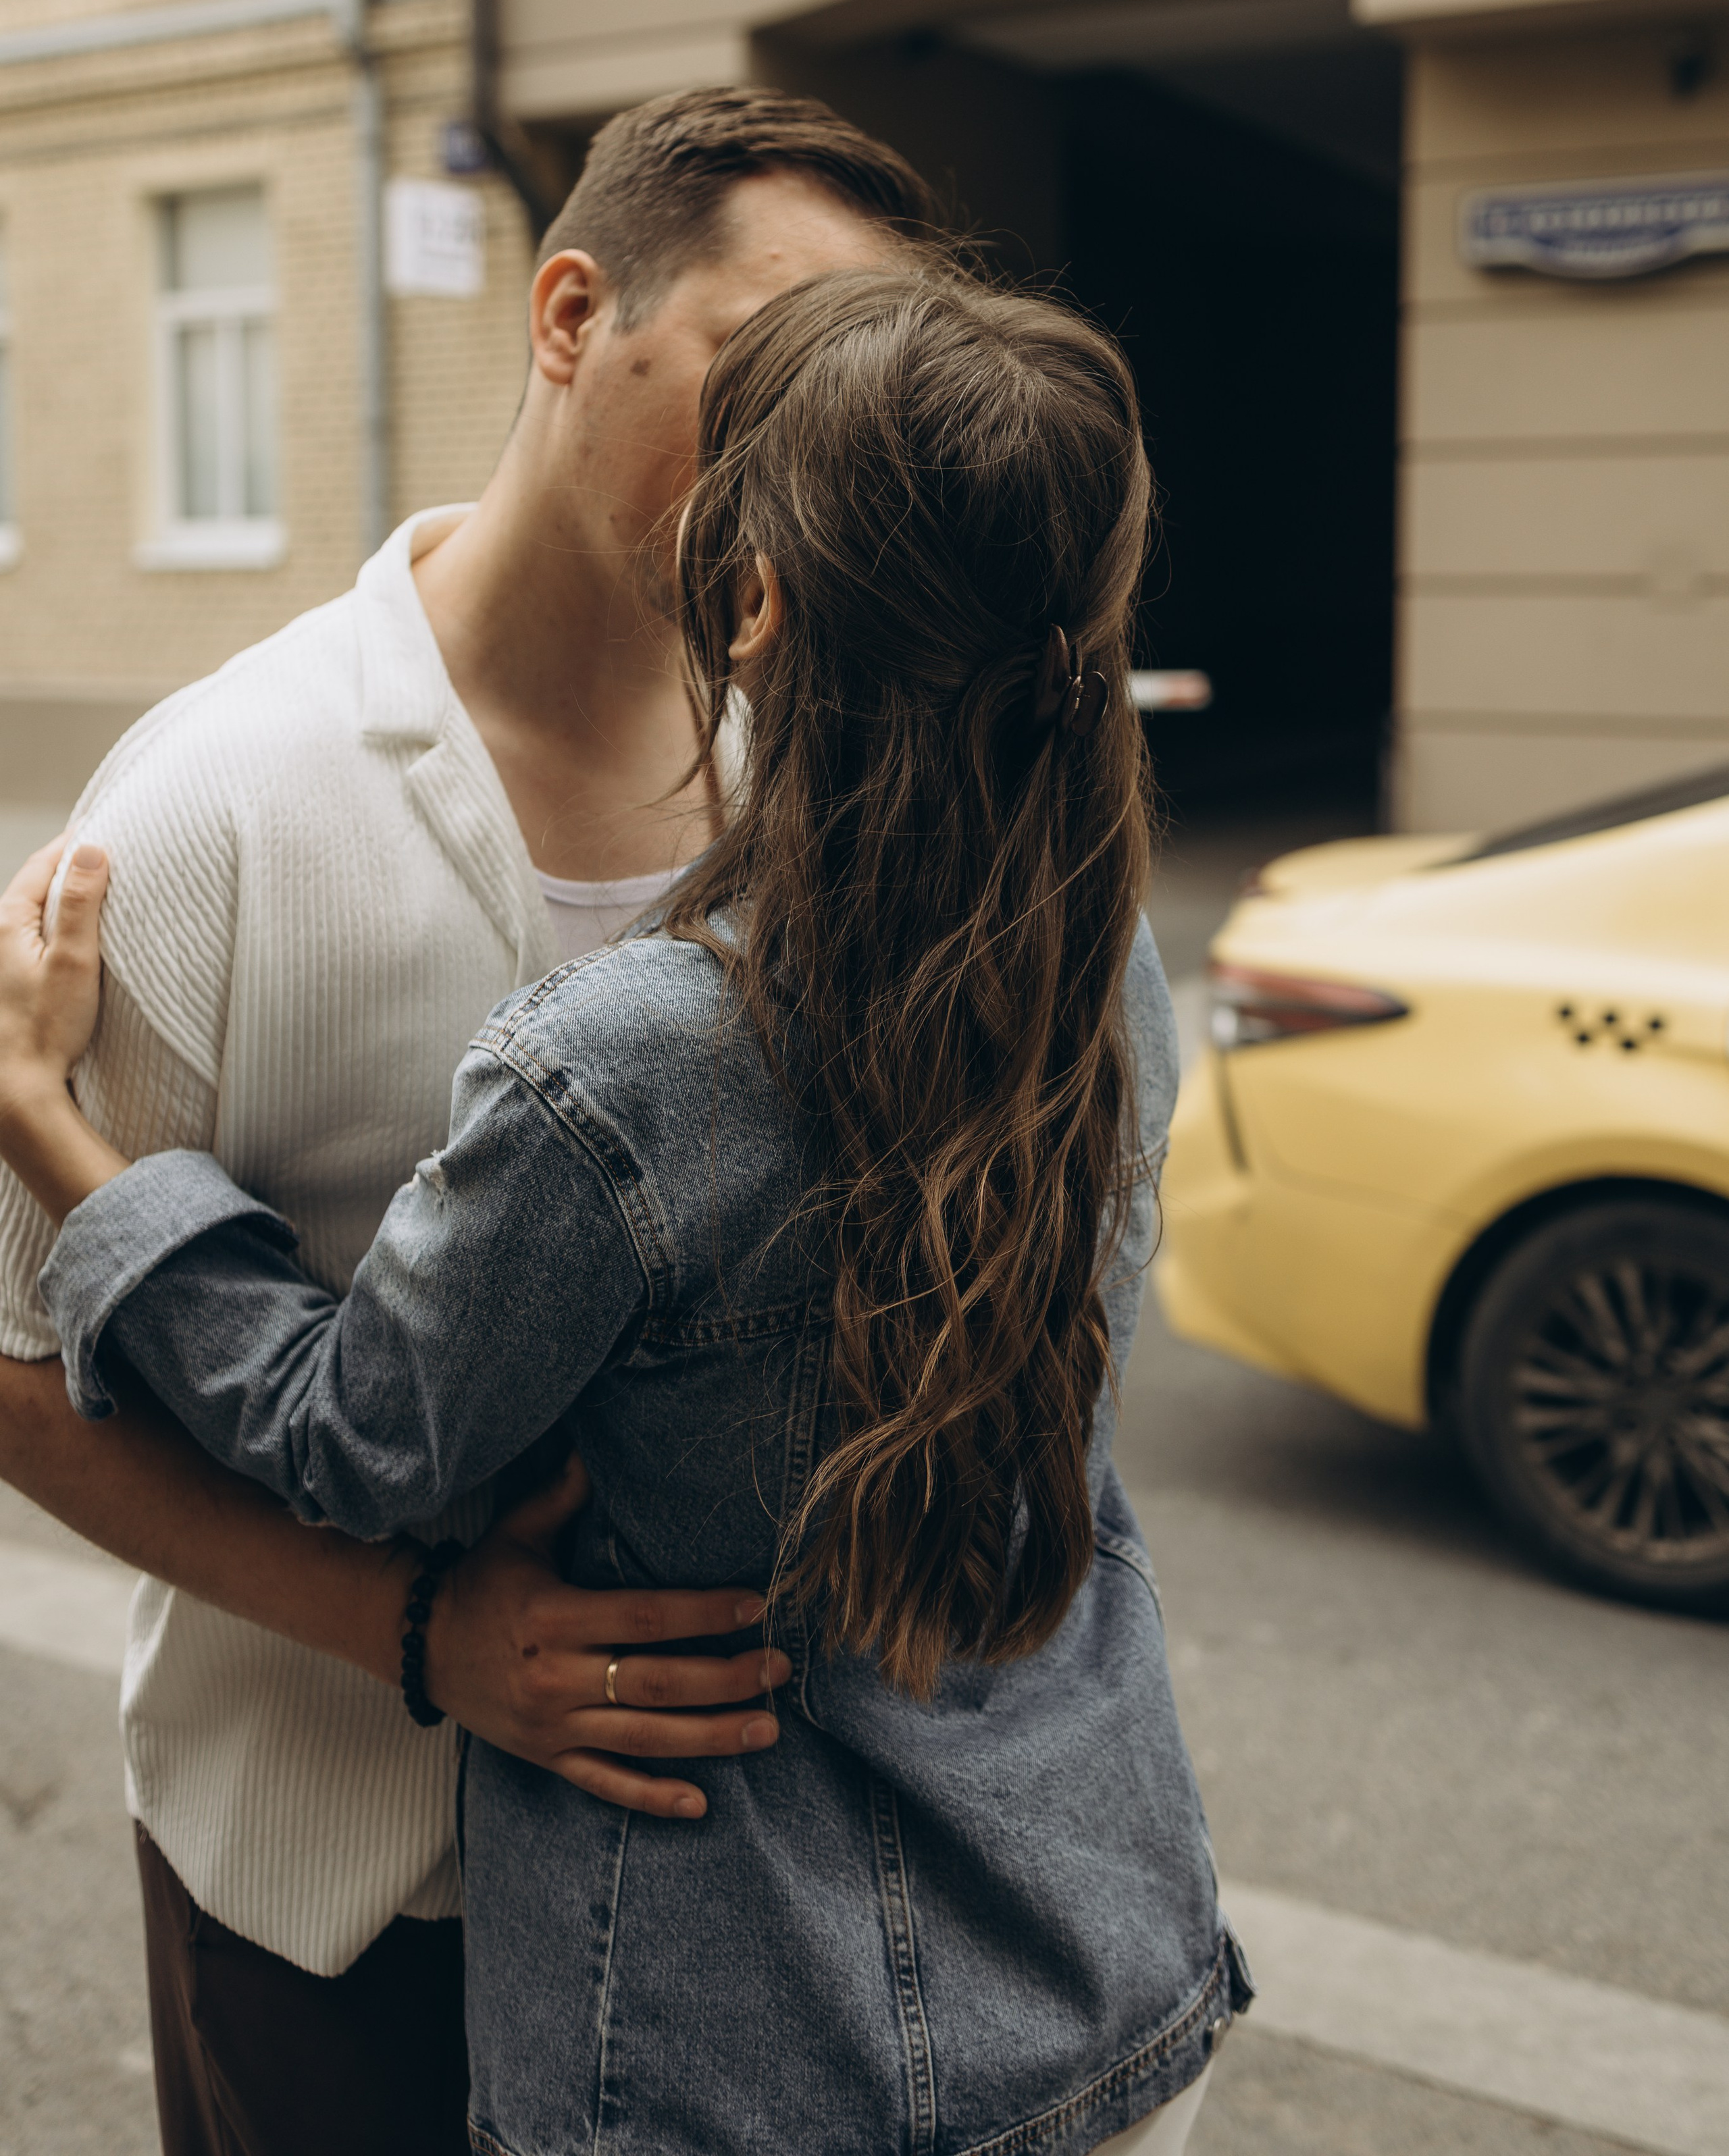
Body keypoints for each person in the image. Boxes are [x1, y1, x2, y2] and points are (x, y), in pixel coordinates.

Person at [0, 267, 1249, 2155]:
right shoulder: (1107, 970)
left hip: (743, 2058)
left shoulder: (644, 1060)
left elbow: (356, 1439)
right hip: (1094, 1985)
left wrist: (43, 1124)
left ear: (751, 611)